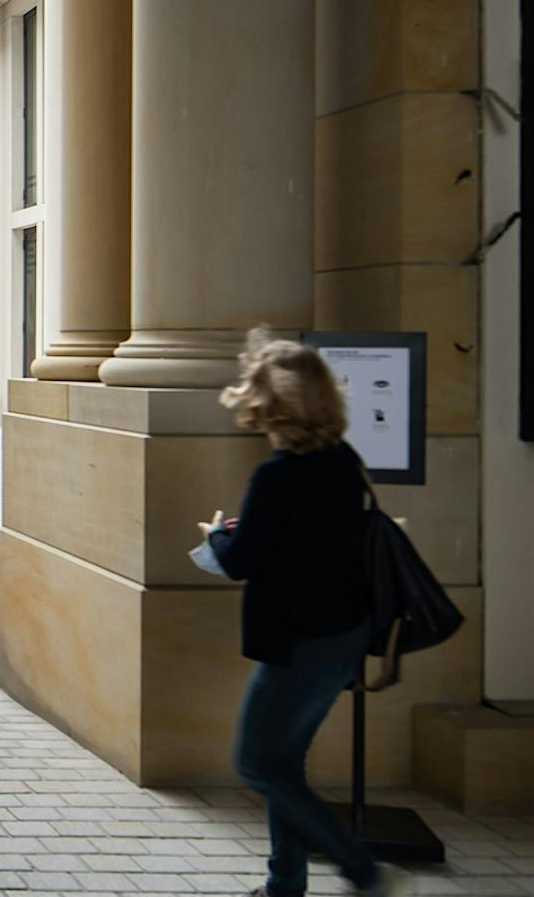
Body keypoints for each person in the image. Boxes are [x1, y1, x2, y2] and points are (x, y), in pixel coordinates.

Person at [198, 334, 388, 897]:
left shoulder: (278, 474)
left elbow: (242, 561)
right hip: (344, 634)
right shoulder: (344, 463)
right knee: (285, 763)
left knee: (258, 763)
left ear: (274, 404)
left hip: (299, 641)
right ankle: (285, 885)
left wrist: (216, 536)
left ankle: (362, 869)